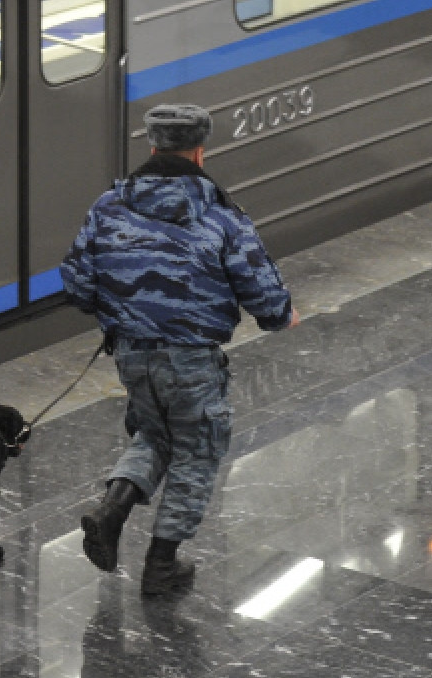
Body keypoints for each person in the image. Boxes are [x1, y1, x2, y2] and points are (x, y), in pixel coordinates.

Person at [59, 103, 299, 594]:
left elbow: (76, 282)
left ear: (152, 146)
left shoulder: (109, 205)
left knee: (154, 433)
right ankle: (162, 566)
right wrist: (281, 316)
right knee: (197, 449)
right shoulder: (218, 214)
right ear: (200, 151)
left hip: (131, 353)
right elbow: (260, 287)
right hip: (191, 358)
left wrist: (122, 310)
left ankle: (112, 510)